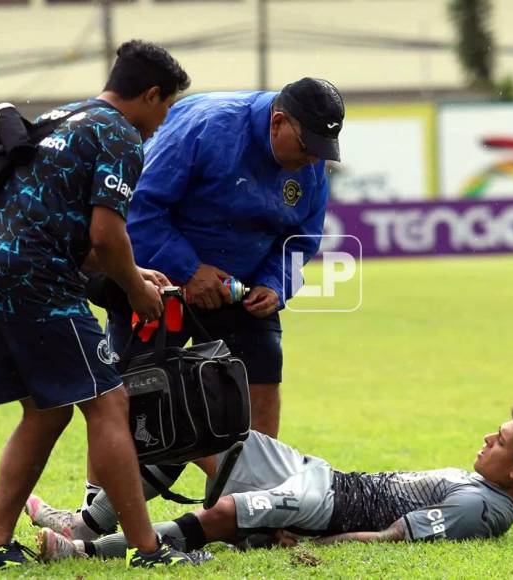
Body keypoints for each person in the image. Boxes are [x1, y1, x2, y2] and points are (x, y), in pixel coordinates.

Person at [0, 40, 195, 569]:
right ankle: (148, 550)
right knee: (108, 403)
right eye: (165, 109)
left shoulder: (58, 118)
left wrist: (134, 272)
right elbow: (107, 236)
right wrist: (137, 291)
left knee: (45, 413)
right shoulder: (119, 135)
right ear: (151, 95)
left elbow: (75, 233)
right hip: (39, 285)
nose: (161, 123)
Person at [77, 77, 346, 510]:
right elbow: (141, 208)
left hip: (241, 289)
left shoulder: (310, 164)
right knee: (129, 390)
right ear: (277, 122)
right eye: (307, 146)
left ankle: (254, 501)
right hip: (160, 279)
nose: (313, 159)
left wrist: (275, 286)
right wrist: (188, 270)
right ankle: (97, 504)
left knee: (260, 379)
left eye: (322, 150)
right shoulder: (205, 127)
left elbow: (302, 238)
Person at [28, 402, 513, 562]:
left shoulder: (485, 509)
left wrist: (314, 542)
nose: (487, 437)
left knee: (228, 513)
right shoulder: (480, 485)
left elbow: (395, 536)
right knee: (203, 431)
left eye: (500, 441)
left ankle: (88, 551)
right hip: (323, 475)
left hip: (327, 504)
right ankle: (83, 521)